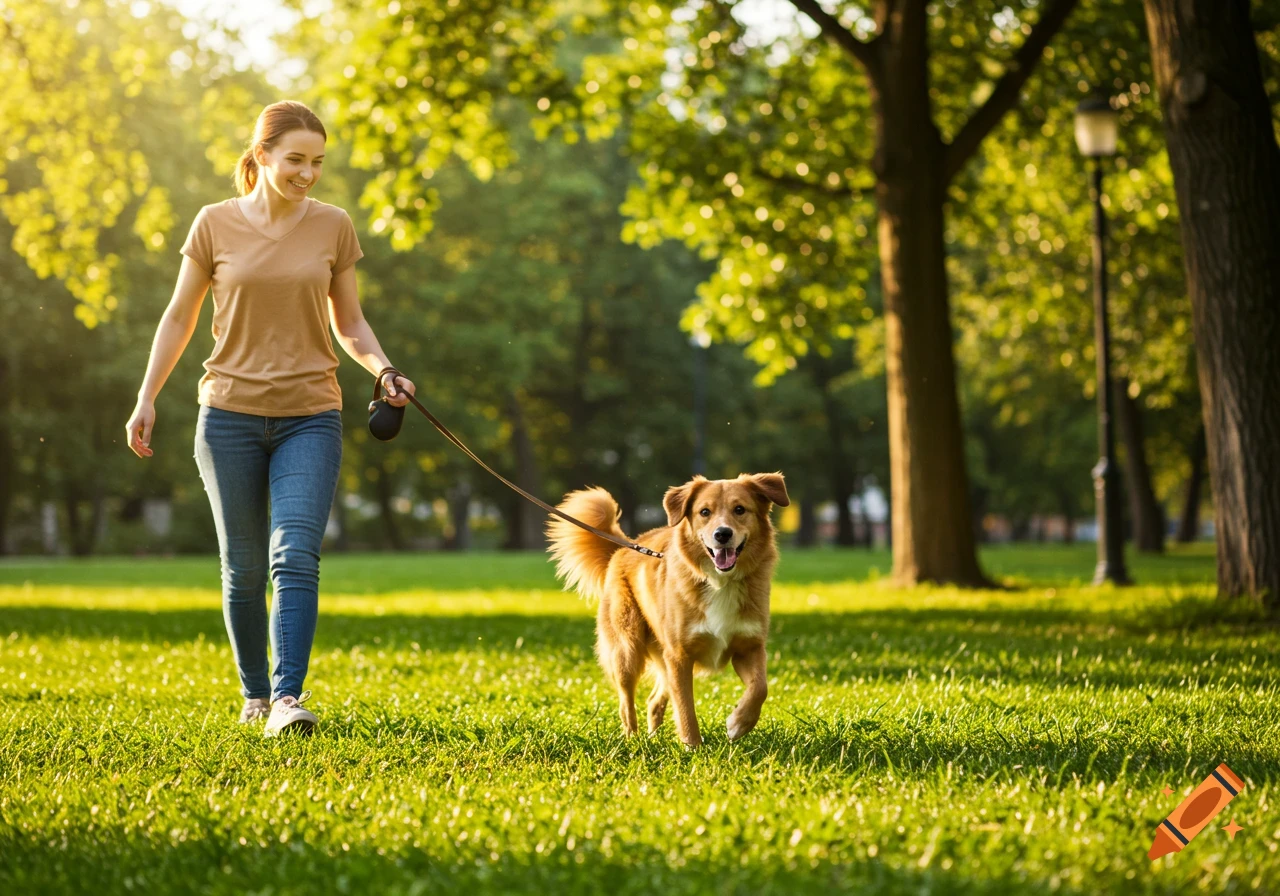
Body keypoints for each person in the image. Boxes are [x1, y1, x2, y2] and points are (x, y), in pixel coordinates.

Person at [124, 100, 415, 737]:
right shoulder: (213, 224)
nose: (308, 173)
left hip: (309, 415)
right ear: (260, 157)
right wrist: (147, 397)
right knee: (245, 565)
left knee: (295, 557)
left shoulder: (334, 226)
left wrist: (383, 370)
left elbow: (350, 321)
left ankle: (287, 698)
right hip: (226, 414)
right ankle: (254, 694)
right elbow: (179, 316)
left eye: (317, 162)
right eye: (295, 160)